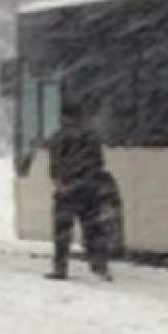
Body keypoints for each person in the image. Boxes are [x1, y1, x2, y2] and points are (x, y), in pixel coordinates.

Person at [46, 101, 112, 281]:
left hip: (68, 191)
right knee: (93, 229)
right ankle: (100, 266)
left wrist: (62, 184)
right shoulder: (92, 137)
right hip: (90, 190)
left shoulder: (58, 137)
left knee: (62, 233)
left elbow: (55, 166)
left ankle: (61, 268)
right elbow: (99, 163)